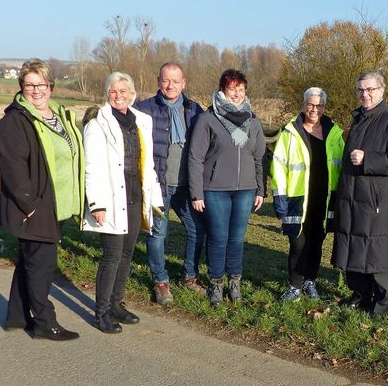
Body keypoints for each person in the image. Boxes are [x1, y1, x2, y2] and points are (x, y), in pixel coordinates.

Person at [0, 58, 85, 341]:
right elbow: (14, 169)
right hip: (36, 208)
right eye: (29, 84)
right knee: (41, 267)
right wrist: (31, 205)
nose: (36, 90)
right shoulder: (16, 120)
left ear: (51, 86)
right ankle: (45, 322)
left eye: (41, 84)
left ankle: (17, 316)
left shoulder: (60, 116)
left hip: (56, 204)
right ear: (21, 87)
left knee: (29, 262)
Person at [83, 72, 163, 334]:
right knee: (112, 255)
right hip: (110, 196)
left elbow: (147, 163)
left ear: (132, 93)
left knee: (127, 254)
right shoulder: (97, 124)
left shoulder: (142, 121)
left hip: (135, 193)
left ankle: (117, 303)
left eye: (124, 91)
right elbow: (91, 167)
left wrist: (155, 198)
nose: (119, 96)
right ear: (107, 93)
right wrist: (97, 204)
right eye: (113, 91)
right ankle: (102, 312)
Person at [331, 71, 388, 316]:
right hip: (354, 198)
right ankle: (360, 296)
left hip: (379, 201)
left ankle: (381, 306)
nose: (365, 94)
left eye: (370, 89)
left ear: (382, 90)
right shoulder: (357, 121)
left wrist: (369, 160)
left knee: (380, 255)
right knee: (355, 249)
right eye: (360, 90)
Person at [188, 69, 266, 306]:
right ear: (223, 89)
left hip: (246, 190)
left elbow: (259, 158)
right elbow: (195, 157)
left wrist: (261, 190)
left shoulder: (252, 121)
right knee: (219, 238)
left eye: (241, 89)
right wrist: (196, 192)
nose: (237, 94)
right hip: (215, 190)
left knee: (237, 239)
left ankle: (235, 282)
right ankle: (216, 285)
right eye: (233, 89)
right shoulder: (208, 118)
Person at [135, 62, 205, 306]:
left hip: (188, 187)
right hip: (159, 185)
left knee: (197, 231)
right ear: (158, 81)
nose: (171, 85)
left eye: (176, 81)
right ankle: (161, 281)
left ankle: (190, 276)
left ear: (184, 83)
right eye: (166, 80)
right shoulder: (143, 109)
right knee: (158, 234)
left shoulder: (195, 110)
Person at [270, 87, 344, 301]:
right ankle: (295, 286)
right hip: (297, 198)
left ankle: (310, 282)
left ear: (324, 107)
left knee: (316, 242)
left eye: (319, 105)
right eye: (311, 104)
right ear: (303, 105)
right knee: (298, 243)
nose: (314, 109)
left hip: (324, 198)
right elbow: (278, 167)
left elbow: (340, 167)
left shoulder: (334, 133)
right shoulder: (291, 132)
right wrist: (279, 199)